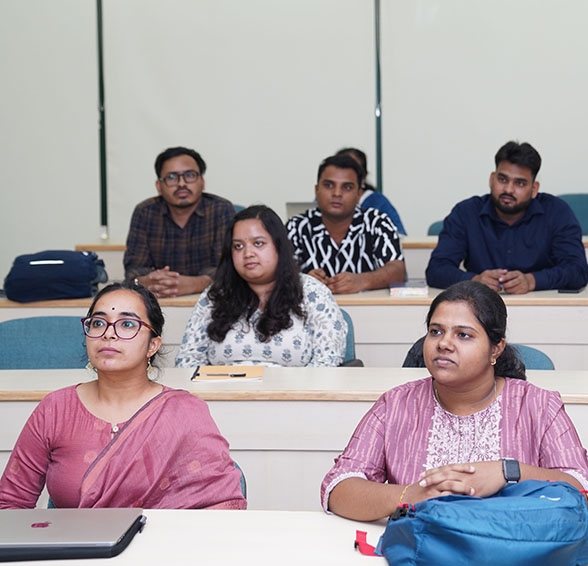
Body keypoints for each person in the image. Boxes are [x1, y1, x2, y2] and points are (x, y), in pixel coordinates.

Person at [321, 280, 588, 521]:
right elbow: (338, 488)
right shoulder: (396, 405)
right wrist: (412, 494)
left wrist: (508, 473)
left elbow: (584, 492)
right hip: (422, 552)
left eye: (463, 335)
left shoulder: (538, 406)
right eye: (436, 331)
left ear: (496, 349)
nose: (444, 343)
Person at [0, 282, 246, 509]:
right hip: (74, 554)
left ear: (153, 345)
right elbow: (10, 503)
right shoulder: (56, 409)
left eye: (127, 324)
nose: (108, 333)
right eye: (98, 323)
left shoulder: (185, 413)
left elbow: (223, 506)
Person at [176, 205, 347, 367]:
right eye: (238, 246)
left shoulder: (312, 293)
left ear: (279, 247)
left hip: (295, 396)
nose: (248, 253)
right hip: (220, 396)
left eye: (258, 243)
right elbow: (188, 360)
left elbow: (327, 361)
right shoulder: (215, 295)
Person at [425, 141, 588, 294]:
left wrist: (532, 281)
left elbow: (578, 270)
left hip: (541, 308)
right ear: (491, 179)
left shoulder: (557, 212)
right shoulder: (466, 213)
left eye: (520, 183)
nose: (509, 190)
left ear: (534, 189)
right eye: (502, 179)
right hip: (480, 310)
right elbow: (436, 270)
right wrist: (475, 280)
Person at [124, 146, 235, 298]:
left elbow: (228, 268)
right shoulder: (145, 212)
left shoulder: (221, 210)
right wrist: (148, 281)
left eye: (190, 175)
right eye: (171, 177)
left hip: (210, 301)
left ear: (202, 182)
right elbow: (133, 270)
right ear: (159, 186)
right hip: (159, 302)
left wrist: (195, 284)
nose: (182, 183)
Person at [287, 154, 406, 294]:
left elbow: (398, 272)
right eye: (329, 185)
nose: (337, 193)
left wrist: (363, 280)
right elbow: (276, 274)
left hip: (370, 311)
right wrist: (303, 280)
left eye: (347, 187)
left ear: (359, 194)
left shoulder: (377, 222)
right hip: (310, 313)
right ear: (316, 190)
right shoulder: (296, 226)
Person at [336, 147, 406, 235]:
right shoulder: (326, 199)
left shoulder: (378, 202)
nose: (346, 175)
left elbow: (399, 236)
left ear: (363, 178)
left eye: (354, 170)